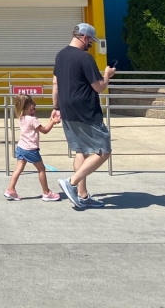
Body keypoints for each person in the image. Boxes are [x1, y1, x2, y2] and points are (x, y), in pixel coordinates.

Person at [53, 23, 116, 208]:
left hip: (66, 109)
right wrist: (107, 74)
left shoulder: (60, 55)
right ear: (85, 38)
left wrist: (56, 107)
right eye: (91, 42)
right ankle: (71, 183)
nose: (91, 45)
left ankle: (82, 195)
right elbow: (99, 87)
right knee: (104, 151)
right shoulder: (85, 58)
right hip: (86, 111)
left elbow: (55, 83)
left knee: (81, 150)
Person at [3, 94, 61, 201]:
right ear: (30, 106)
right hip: (31, 149)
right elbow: (44, 130)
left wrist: (33, 112)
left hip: (21, 147)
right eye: (33, 104)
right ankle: (46, 192)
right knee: (41, 169)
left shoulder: (21, 117)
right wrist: (52, 121)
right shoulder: (33, 120)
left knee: (19, 168)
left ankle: (11, 189)